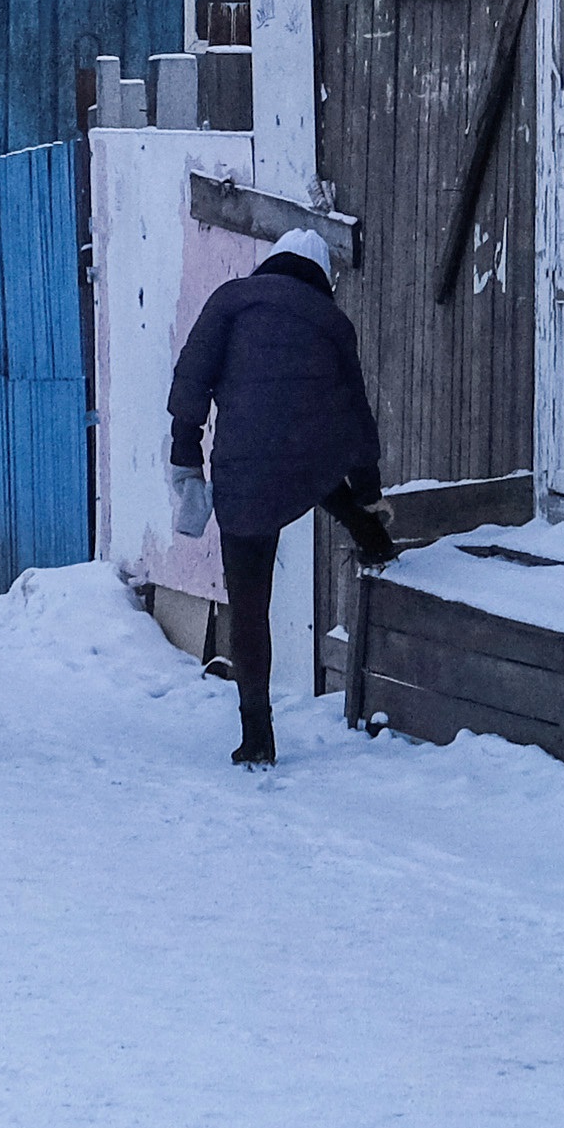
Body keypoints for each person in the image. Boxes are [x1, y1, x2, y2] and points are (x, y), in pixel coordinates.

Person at [163, 223, 399, 768]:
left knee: (250, 606)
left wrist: (185, 454)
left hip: (243, 465)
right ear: (320, 276)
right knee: (319, 477)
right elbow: (356, 417)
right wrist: (368, 494)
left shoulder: (230, 300)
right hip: (311, 461)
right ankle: (373, 538)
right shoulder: (332, 321)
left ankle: (256, 735)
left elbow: (191, 382)